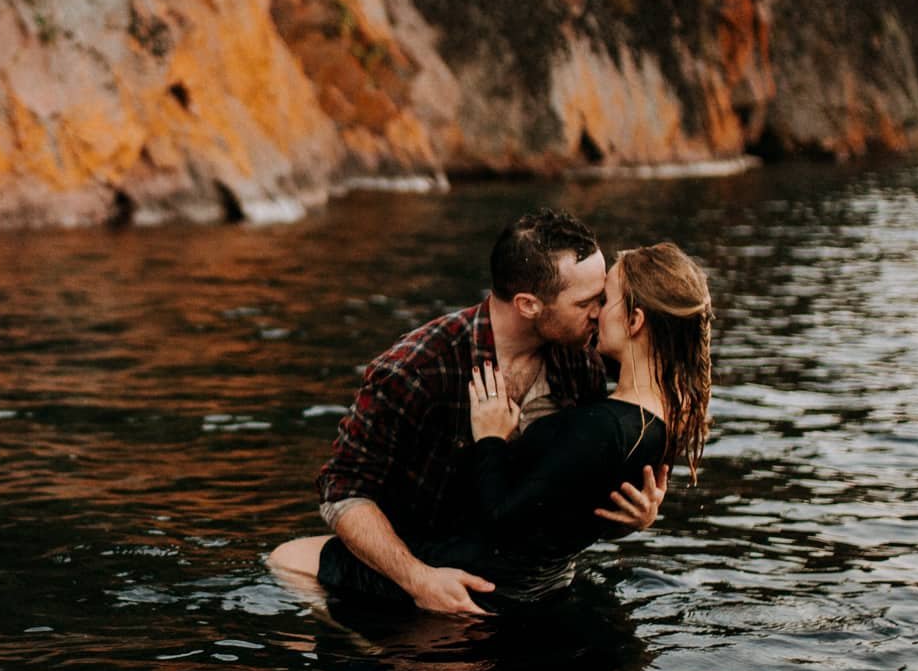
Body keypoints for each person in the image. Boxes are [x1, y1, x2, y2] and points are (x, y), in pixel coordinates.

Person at [270, 224, 710, 614]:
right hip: (426, 563)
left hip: (524, 582)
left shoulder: (585, 359)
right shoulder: (415, 369)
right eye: (587, 302)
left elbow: (569, 487)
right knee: (290, 563)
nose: (598, 312)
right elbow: (343, 492)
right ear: (529, 304)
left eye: (603, 298)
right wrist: (417, 579)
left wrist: (632, 518)